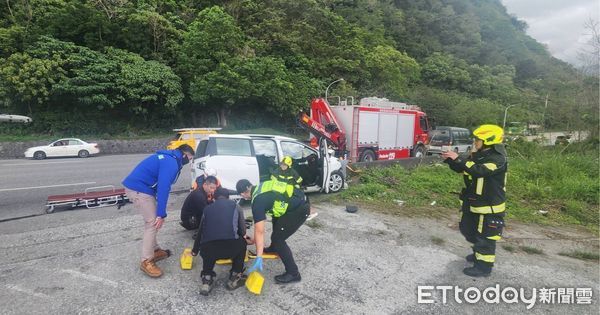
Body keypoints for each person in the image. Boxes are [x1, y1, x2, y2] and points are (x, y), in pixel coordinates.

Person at [442, 124, 507, 277]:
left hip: (489, 206)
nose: (475, 141)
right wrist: (452, 160)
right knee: (469, 230)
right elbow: (464, 167)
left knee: (485, 237)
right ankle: (479, 252)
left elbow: (479, 171)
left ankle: (484, 267)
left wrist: (459, 159)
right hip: (474, 203)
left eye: (478, 139)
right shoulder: (479, 155)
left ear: (488, 141)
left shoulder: (497, 159)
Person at [122, 144, 195, 278]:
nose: (189, 161)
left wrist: (160, 213)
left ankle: (155, 250)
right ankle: (146, 261)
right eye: (190, 157)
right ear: (184, 154)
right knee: (152, 223)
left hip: (142, 189)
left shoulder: (170, 157)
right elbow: (163, 187)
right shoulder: (171, 162)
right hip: (139, 190)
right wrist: (161, 213)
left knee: (152, 222)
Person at [236, 178, 310, 284]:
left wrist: (259, 256)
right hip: (297, 199)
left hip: (299, 209)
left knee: (278, 239)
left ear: (243, 194)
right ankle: (274, 248)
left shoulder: (257, 201)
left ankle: (293, 273)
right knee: (276, 221)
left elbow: (260, 231)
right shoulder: (261, 187)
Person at [191, 187, 252, 295]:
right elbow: (242, 232)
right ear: (228, 197)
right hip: (231, 249)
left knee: (208, 244)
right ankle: (235, 276)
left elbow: (200, 231)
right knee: (242, 243)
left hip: (210, 251)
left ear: (214, 198)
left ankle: (207, 279)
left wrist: (195, 250)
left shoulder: (207, 209)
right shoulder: (236, 206)